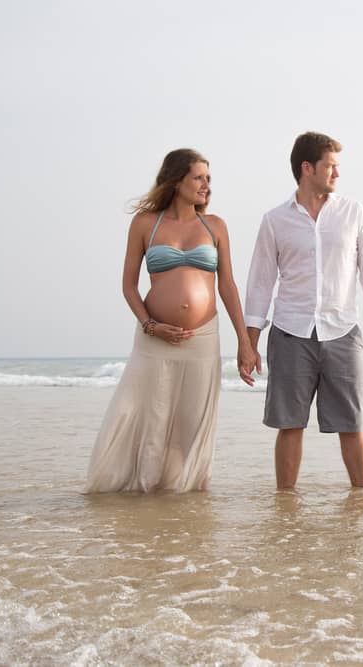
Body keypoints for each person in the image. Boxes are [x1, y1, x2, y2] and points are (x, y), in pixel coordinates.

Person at [84, 149, 256, 493]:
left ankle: (185, 497)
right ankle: (147, 496)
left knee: (191, 423)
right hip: (154, 339)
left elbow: (228, 286)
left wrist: (245, 342)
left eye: (208, 178)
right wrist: (150, 325)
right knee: (149, 416)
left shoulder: (215, 226)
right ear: (177, 180)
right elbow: (129, 285)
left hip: (203, 337)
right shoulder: (147, 223)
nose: (206, 185)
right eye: (198, 177)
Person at [241, 132, 363, 489]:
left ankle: (362, 502)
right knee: (290, 424)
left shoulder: (353, 213)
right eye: (331, 166)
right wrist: (249, 343)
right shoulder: (274, 220)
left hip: (342, 331)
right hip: (290, 332)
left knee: (351, 423)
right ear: (307, 168)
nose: (337, 174)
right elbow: (260, 284)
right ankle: (286, 505)